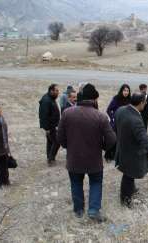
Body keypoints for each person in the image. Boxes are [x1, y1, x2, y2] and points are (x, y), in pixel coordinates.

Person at [57, 83, 116, 222]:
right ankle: (94, 210)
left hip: (74, 158)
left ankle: (78, 210)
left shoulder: (67, 113)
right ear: (94, 99)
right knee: (96, 182)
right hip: (94, 159)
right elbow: (112, 139)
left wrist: (69, 146)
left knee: (76, 183)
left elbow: (59, 137)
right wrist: (102, 147)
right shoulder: (100, 116)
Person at [115, 93, 148, 208]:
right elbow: (145, 140)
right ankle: (125, 202)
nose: (146, 103)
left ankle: (131, 191)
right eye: (145, 102)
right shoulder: (135, 120)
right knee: (129, 176)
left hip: (122, 147)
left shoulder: (121, 110)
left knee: (128, 174)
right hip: (131, 152)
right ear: (141, 103)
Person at [104, 84, 131, 161]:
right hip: (116, 123)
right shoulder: (116, 98)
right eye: (124, 90)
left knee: (122, 140)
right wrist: (113, 118)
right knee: (113, 139)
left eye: (127, 91)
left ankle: (117, 155)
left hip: (125, 123)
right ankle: (108, 155)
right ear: (121, 91)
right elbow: (109, 109)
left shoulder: (130, 100)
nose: (126, 92)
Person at [39, 84, 60, 165]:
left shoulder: (51, 98)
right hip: (51, 126)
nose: (58, 92)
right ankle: (51, 159)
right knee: (57, 142)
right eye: (56, 91)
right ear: (51, 91)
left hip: (53, 125)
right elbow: (43, 115)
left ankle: (49, 157)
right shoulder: (46, 100)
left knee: (50, 141)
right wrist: (47, 128)